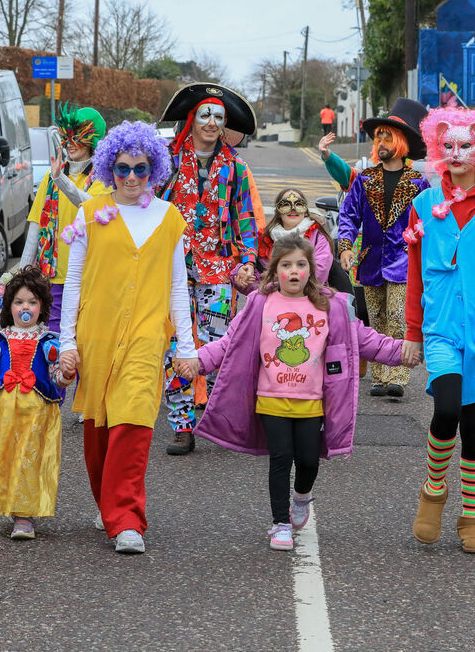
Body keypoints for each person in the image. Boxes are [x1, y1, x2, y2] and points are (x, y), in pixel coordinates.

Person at [186, 235, 418, 550]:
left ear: (311, 269)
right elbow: (230, 342)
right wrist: (199, 361)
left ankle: (302, 497)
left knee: (308, 460)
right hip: (270, 399)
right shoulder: (260, 304)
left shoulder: (331, 305)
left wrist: (403, 352)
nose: (293, 271)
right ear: (273, 271)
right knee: (280, 459)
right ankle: (280, 524)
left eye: (300, 264)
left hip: (312, 402)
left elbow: (366, 340)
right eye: (286, 265)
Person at [60, 121, 197, 554]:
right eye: (123, 169)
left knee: (134, 420)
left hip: (146, 335)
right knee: (99, 430)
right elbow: (74, 281)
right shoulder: (89, 214)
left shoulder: (169, 218)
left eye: (141, 168)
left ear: (154, 168)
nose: (132, 177)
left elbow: (178, 286)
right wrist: (66, 342)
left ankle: (127, 518)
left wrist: (188, 347)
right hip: (95, 335)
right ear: (109, 168)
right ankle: (108, 503)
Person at [403, 106, 475, 555]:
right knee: (447, 408)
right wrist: (413, 331)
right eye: (447, 146)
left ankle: (472, 513)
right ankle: (434, 488)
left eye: (465, 146)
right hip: (441, 329)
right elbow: (414, 273)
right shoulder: (423, 205)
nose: (456, 154)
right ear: (437, 148)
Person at [158, 82, 263, 455]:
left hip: (218, 270)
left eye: (218, 117)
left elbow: (245, 219)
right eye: (205, 115)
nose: (211, 122)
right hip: (173, 267)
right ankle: (182, 425)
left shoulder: (234, 166)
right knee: (177, 346)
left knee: (219, 345)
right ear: (193, 118)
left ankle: (218, 420)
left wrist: (248, 261)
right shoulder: (167, 159)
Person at [325, 97, 430, 398]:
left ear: (400, 143)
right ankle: (380, 375)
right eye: (378, 137)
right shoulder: (366, 180)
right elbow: (348, 216)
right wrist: (345, 247)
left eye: (387, 137)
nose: (380, 142)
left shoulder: (418, 183)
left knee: (399, 316)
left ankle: (398, 373)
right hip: (370, 261)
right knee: (375, 318)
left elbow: (425, 221)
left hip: (403, 261)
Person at [0, 267, 73, 540]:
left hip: (37, 414)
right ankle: (10, 505)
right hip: (1, 413)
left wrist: (67, 374)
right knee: (5, 459)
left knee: (28, 460)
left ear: (42, 306)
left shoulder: (49, 343)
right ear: (9, 306)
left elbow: (56, 379)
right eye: (19, 302)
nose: (26, 307)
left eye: (32, 302)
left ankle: (23, 516)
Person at [18, 103, 110, 332]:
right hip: (54, 278)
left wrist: (61, 180)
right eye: (66, 136)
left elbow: (89, 205)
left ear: (93, 140)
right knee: (56, 339)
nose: (70, 143)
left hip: (90, 277)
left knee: (87, 338)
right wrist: (20, 277)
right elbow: (36, 227)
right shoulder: (52, 177)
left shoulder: (104, 178)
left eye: (77, 136)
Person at [235, 186, 336, 292]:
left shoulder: (318, 238)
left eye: (299, 204)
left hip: (310, 298)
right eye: (286, 205)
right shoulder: (264, 239)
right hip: (273, 302)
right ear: (277, 211)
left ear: (306, 211)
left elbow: (320, 272)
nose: (293, 209)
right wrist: (241, 274)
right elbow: (254, 282)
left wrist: (278, 288)